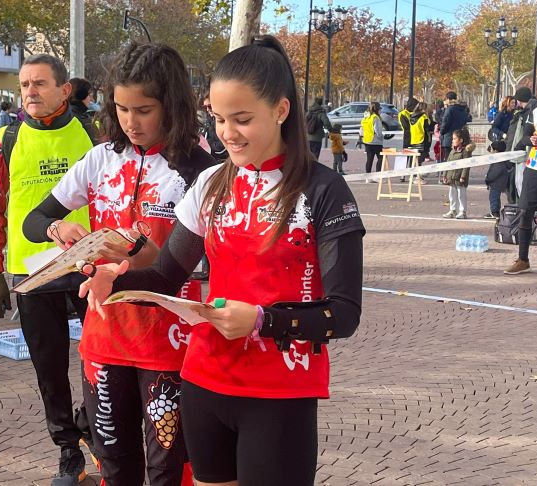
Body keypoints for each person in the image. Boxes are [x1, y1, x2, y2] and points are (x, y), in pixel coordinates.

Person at [76, 35, 365, 486]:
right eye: (218, 118)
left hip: (278, 392)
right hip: (204, 381)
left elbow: (343, 315)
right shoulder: (211, 182)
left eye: (242, 119)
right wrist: (114, 279)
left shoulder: (323, 190)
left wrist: (262, 321)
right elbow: (166, 277)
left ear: (281, 110)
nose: (226, 133)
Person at [24, 41, 216, 486]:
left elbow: (189, 263)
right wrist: (60, 231)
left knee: (170, 470)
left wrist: (127, 254)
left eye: (144, 110)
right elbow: (36, 219)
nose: (131, 122)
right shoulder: (100, 158)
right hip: (104, 337)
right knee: (114, 467)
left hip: (169, 344)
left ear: (171, 104)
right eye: (122, 108)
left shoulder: (199, 170)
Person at [0, 53, 97, 485]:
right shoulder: (7, 140)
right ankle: (69, 452)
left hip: (89, 267)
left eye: (39, 84)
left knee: (102, 361)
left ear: (64, 90)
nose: (30, 92)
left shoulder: (92, 135)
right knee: (49, 368)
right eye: (24, 85)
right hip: (30, 272)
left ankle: (91, 425)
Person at [504, 74, 537, 277]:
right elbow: (524, 137)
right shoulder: (535, 110)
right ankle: (523, 259)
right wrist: (533, 139)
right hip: (535, 168)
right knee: (525, 211)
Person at [505, 86, 534, 203]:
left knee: (521, 183)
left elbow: (524, 135)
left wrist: (517, 146)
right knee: (519, 182)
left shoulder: (527, 114)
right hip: (521, 152)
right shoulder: (522, 113)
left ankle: (526, 211)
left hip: (523, 153)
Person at [442, 128, 474, 219]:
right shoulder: (452, 151)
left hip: (460, 178)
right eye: (453, 139)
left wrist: (463, 177)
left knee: (461, 195)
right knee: (452, 195)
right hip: (451, 178)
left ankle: (462, 211)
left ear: (461, 140)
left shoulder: (465, 152)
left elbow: (466, 166)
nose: (452, 140)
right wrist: (445, 175)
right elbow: (448, 164)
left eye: (454, 139)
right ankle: (453, 210)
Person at [439, 91, 470, 163]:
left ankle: (449, 173)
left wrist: (441, 132)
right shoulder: (463, 109)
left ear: (448, 99)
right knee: (459, 157)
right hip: (460, 136)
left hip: (449, 137)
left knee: (448, 158)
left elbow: (445, 123)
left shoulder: (449, 109)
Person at [200, 87, 228, 161]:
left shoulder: (226, 121)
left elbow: (222, 148)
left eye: (210, 106)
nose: (207, 110)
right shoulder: (209, 119)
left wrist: (205, 144)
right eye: (205, 107)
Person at [67, 77, 98, 142]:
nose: (91, 99)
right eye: (89, 95)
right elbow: (95, 144)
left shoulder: (64, 115)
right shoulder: (81, 120)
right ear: (81, 96)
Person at [484, 140, 509, 219]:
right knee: (496, 197)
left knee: (493, 197)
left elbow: (494, 173)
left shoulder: (498, 161)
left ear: (495, 150)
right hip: (500, 182)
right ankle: (496, 211)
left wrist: (487, 179)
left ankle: (494, 212)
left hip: (495, 182)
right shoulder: (503, 159)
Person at [360, 101, 384, 182]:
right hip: (376, 141)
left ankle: (368, 177)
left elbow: (361, 130)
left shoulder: (366, 117)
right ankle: (377, 176)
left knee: (369, 159)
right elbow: (378, 131)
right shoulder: (375, 118)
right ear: (377, 109)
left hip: (367, 141)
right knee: (380, 158)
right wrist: (381, 137)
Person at [306, 96, 332, 160]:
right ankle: (313, 168)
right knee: (315, 154)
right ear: (321, 103)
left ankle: (308, 167)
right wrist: (330, 130)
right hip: (317, 138)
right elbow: (327, 123)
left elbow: (304, 121)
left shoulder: (309, 111)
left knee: (308, 155)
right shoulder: (321, 112)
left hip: (308, 137)